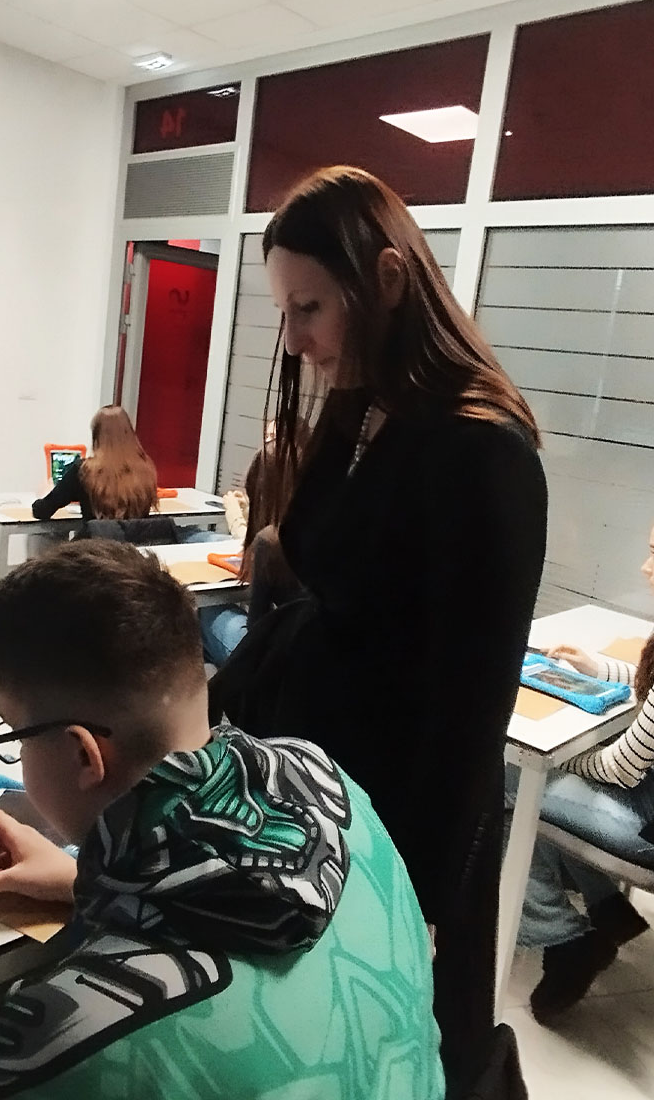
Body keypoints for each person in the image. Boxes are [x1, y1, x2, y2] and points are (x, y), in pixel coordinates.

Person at [0, 541, 445, 1100]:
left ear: (84, 754)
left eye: (13, 735)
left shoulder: (63, 1037)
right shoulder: (329, 786)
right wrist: (82, 880)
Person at [208, 166, 548, 1098]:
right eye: (286, 311)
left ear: (389, 280)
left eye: (310, 308)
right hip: (319, 790)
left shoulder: (483, 450)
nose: (295, 338)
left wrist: (423, 900)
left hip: (397, 823)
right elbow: (327, 553)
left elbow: (470, 710)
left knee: (393, 1051)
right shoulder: (365, 409)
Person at [506, 525, 654, 1024]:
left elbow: (622, 768)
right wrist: (599, 668)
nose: (644, 568)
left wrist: (555, 760)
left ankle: (565, 941)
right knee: (527, 789)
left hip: (643, 826)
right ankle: (607, 907)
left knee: (508, 784)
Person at [201, 422, 307, 665]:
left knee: (207, 612)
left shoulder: (269, 542)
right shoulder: (318, 525)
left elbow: (257, 626)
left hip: (284, 659)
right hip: (316, 650)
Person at [31, 405, 157, 523]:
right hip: (133, 540)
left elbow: (42, 511)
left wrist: (47, 494)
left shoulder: (84, 471)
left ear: (96, 437)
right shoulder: (145, 470)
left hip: (94, 540)